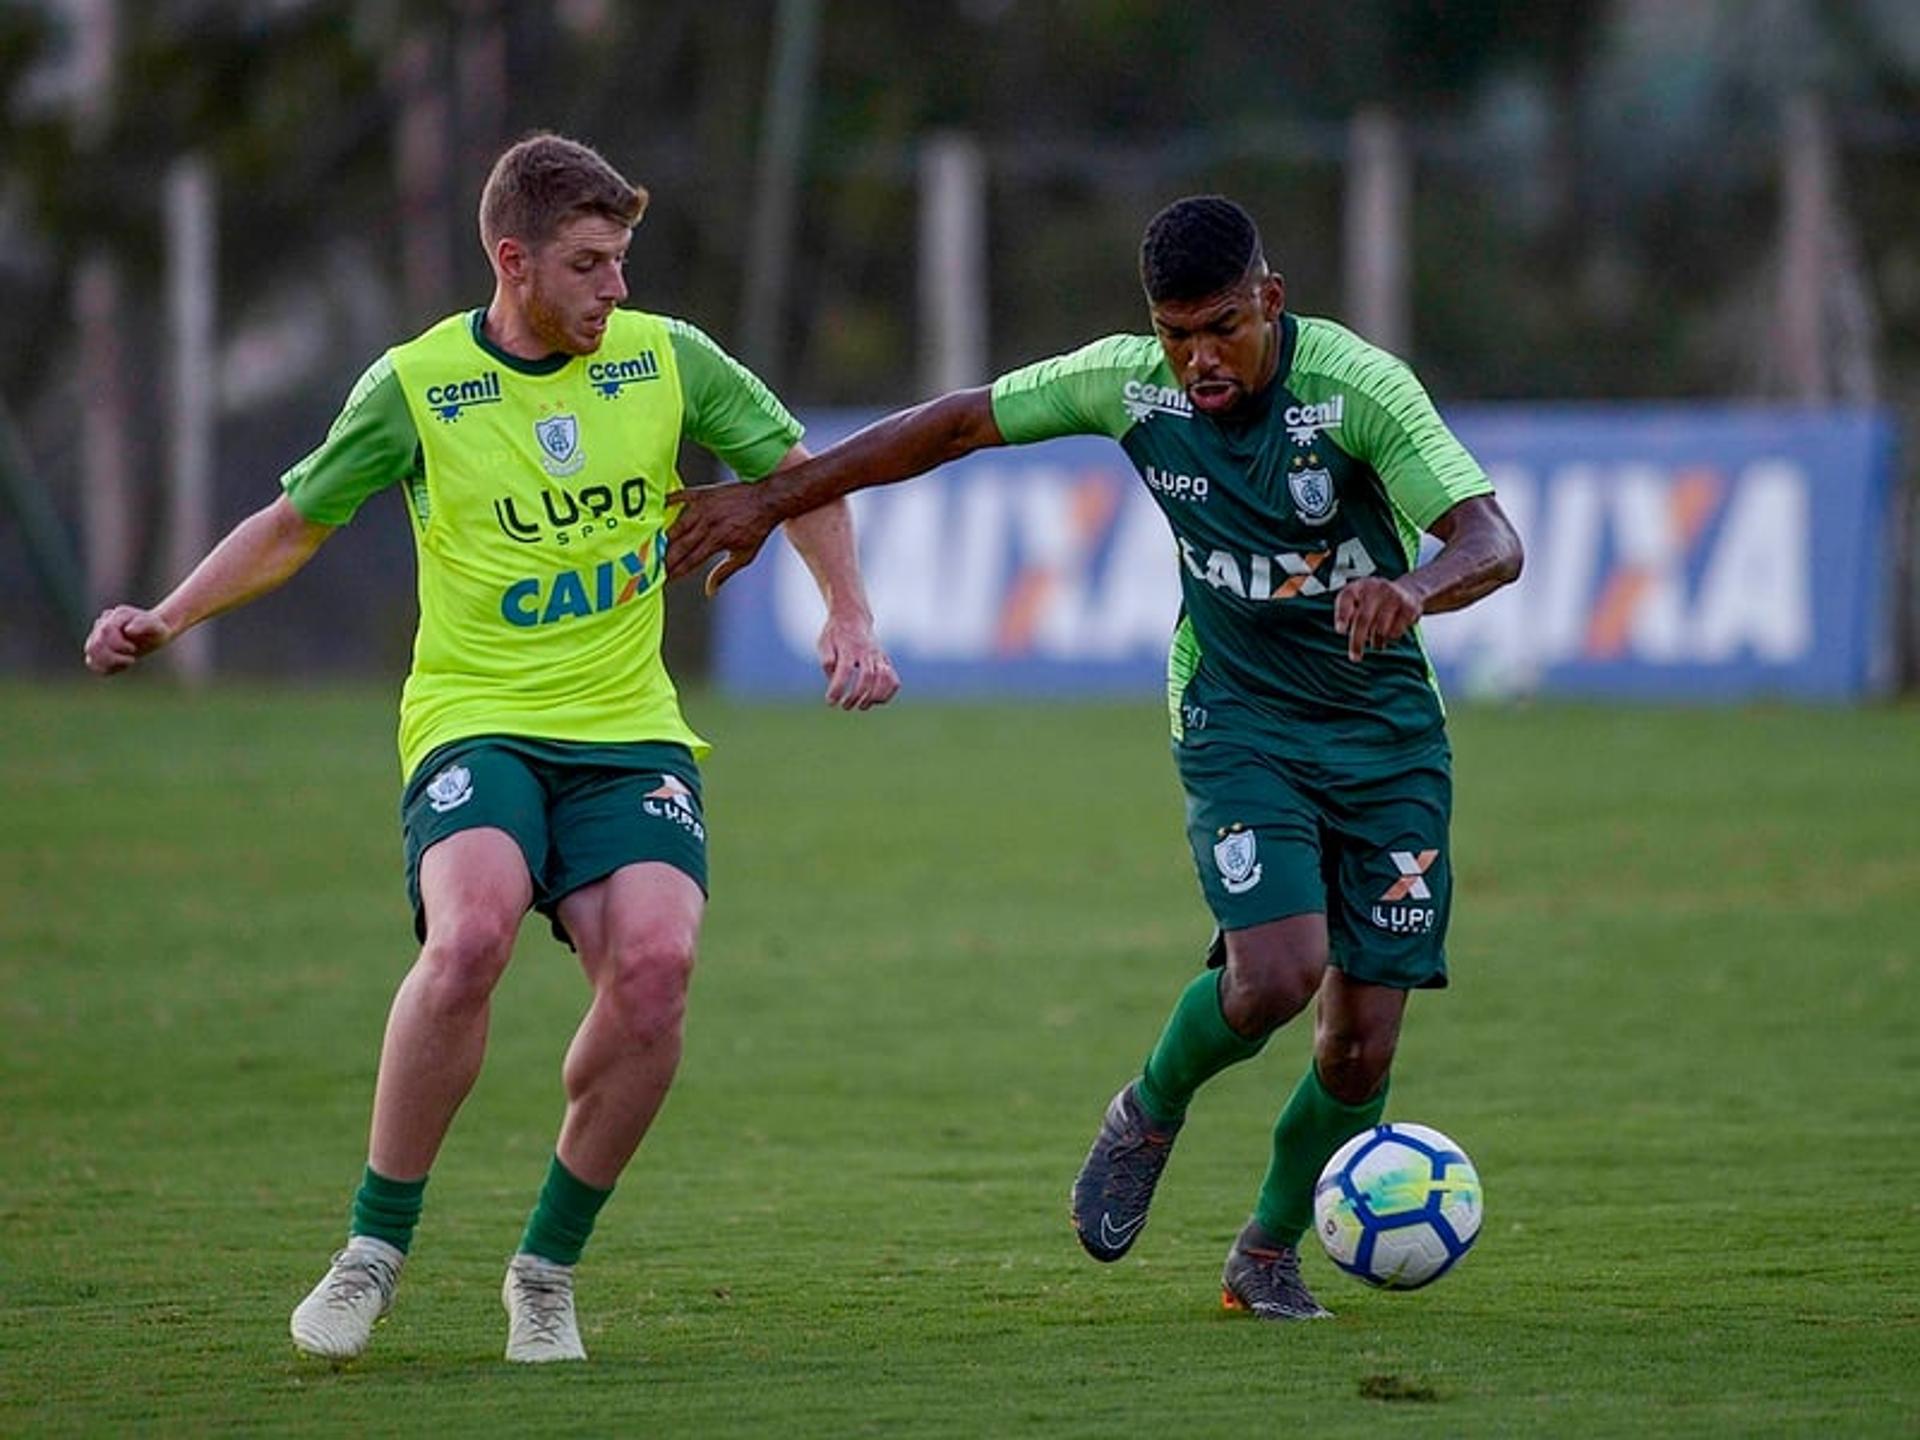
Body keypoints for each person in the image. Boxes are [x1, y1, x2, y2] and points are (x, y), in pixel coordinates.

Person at [83, 132, 898, 1363]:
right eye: (588, 265)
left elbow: (802, 473)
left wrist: (847, 610)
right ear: (512, 261)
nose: (615, 289)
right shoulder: (417, 386)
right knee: (469, 936)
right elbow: (296, 521)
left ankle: (545, 1272)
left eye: (622, 261)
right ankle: (372, 1250)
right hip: (475, 715)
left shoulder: (669, 360)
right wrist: (171, 613)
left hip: (630, 729)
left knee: (659, 975)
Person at [664, 194, 1522, 1320]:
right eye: (1176, 333)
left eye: (1222, 327)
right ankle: (1148, 1112)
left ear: (1272, 299)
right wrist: (774, 498)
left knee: (1360, 1053)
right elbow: (960, 423)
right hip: (1237, 717)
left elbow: (1492, 540)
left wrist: (1407, 589)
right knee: (1273, 976)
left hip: (1386, 739)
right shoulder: (1133, 383)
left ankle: (1266, 1251)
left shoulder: (1355, 393)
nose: (1199, 359)